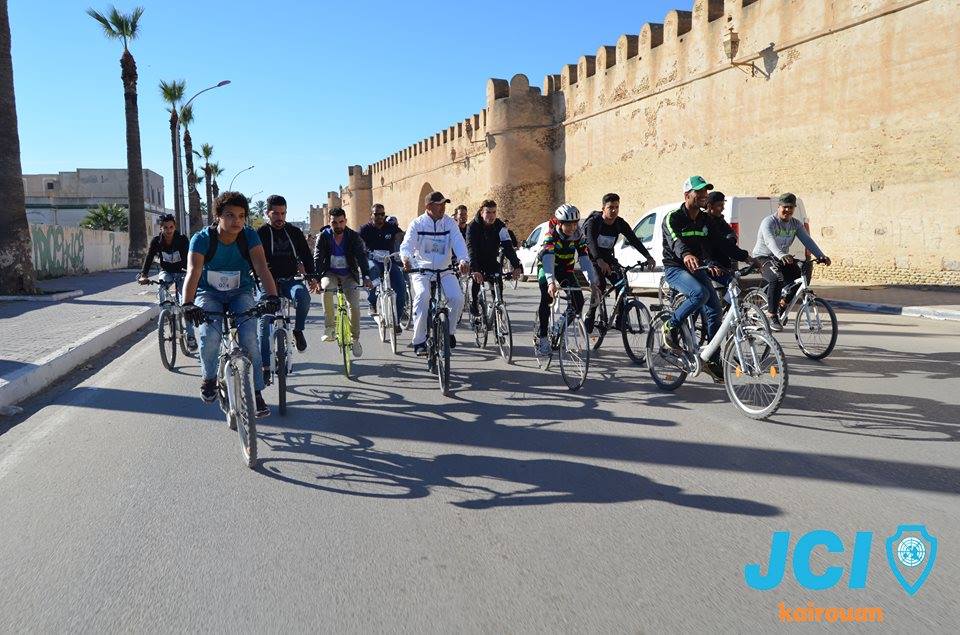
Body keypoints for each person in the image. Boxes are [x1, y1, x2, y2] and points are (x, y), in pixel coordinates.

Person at [181, 191, 280, 418]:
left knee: (249, 340)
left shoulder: (249, 237)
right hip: (209, 294)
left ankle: (256, 393)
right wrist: (187, 303)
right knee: (209, 336)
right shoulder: (202, 239)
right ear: (217, 216)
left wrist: (271, 296)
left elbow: (262, 268)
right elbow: (194, 272)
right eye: (230, 215)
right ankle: (209, 378)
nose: (237, 221)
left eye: (241, 216)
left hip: (240, 292)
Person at [660, 176, 753, 381]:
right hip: (675, 268)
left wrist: (747, 257)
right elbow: (675, 242)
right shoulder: (673, 217)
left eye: (705, 192)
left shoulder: (705, 219)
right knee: (699, 294)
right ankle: (671, 325)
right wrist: (686, 254)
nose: (703, 196)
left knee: (715, 313)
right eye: (699, 192)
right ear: (687, 195)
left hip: (698, 267)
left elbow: (722, 244)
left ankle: (711, 358)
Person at [400, 191, 470, 357]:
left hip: (444, 269)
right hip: (422, 270)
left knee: (457, 298)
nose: (443, 208)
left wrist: (463, 260)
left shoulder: (450, 223)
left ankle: (449, 331)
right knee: (422, 297)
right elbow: (407, 245)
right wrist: (406, 259)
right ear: (428, 206)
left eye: (444, 204)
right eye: (439, 204)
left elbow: (459, 242)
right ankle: (419, 341)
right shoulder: (417, 224)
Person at [256, 194, 315, 386]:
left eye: (283, 213)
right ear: (268, 213)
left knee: (303, 296)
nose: (280, 217)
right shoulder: (260, 233)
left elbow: (306, 255)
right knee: (264, 323)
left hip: (290, 280)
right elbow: (251, 259)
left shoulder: (295, 232)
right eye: (276, 213)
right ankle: (265, 367)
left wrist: (312, 276)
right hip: (267, 283)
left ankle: (298, 331)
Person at [752, 192, 831, 330]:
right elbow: (770, 242)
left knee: (799, 278)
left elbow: (807, 240)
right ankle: (772, 315)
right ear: (779, 206)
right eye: (785, 207)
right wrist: (781, 254)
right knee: (776, 278)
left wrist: (821, 255)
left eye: (791, 207)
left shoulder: (795, 224)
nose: (788, 210)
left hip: (781, 257)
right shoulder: (769, 222)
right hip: (763, 257)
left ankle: (782, 304)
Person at [583, 192, 656, 332]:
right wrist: (599, 260)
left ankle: (620, 319)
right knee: (600, 284)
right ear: (603, 208)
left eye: (616, 207)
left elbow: (633, 239)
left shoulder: (619, 223)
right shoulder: (594, 222)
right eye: (610, 207)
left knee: (622, 282)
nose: (614, 210)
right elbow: (590, 242)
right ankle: (590, 315)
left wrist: (648, 256)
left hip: (608, 258)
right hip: (591, 258)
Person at [535, 204, 598, 356]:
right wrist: (550, 282)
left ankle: (559, 327)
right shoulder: (551, 235)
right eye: (568, 224)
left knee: (579, 302)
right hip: (546, 267)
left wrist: (593, 282)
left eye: (575, 224)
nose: (572, 227)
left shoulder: (578, 236)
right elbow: (549, 259)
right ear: (560, 223)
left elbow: (584, 259)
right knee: (546, 298)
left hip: (565, 268)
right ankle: (542, 338)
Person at [313, 207, 372, 356]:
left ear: (345, 221)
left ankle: (355, 339)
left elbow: (361, 257)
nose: (338, 225)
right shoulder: (323, 236)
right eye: (334, 222)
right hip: (330, 273)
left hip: (349, 275)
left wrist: (366, 276)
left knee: (354, 305)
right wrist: (317, 278)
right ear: (329, 222)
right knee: (326, 289)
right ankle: (330, 329)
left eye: (341, 222)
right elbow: (318, 258)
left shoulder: (353, 236)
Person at [138, 213, 195, 347]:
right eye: (166, 227)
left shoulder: (182, 239)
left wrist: (191, 273)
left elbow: (190, 258)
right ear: (161, 228)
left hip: (182, 272)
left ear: (174, 227)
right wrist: (143, 275)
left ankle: (191, 336)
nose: (168, 230)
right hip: (167, 272)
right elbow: (149, 257)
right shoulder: (156, 241)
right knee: (161, 287)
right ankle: (167, 313)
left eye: (171, 227)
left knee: (186, 304)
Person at [465, 200, 522, 322]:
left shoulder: (499, 226)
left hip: (491, 260)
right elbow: (471, 249)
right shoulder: (472, 227)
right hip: (476, 260)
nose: (491, 216)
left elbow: (508, 246)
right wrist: (475, 269)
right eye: (488, 212)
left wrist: (517, 266)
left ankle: (498, 311)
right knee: (476, 282)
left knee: (497, 285)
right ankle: (474, 303)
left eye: (494, 212)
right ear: (481, 212)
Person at [359, 203, 407, 331]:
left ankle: (397, 320)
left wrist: (405, 250)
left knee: (401, 288)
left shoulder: (391, 227)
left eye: (382, 214)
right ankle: (372, 302)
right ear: (371, 215)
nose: (380, 217)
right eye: (376, 214)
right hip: (373, 260)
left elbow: (402, 238)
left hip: (389, 261)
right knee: (373, 273)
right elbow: (358, 243)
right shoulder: (365, 229)